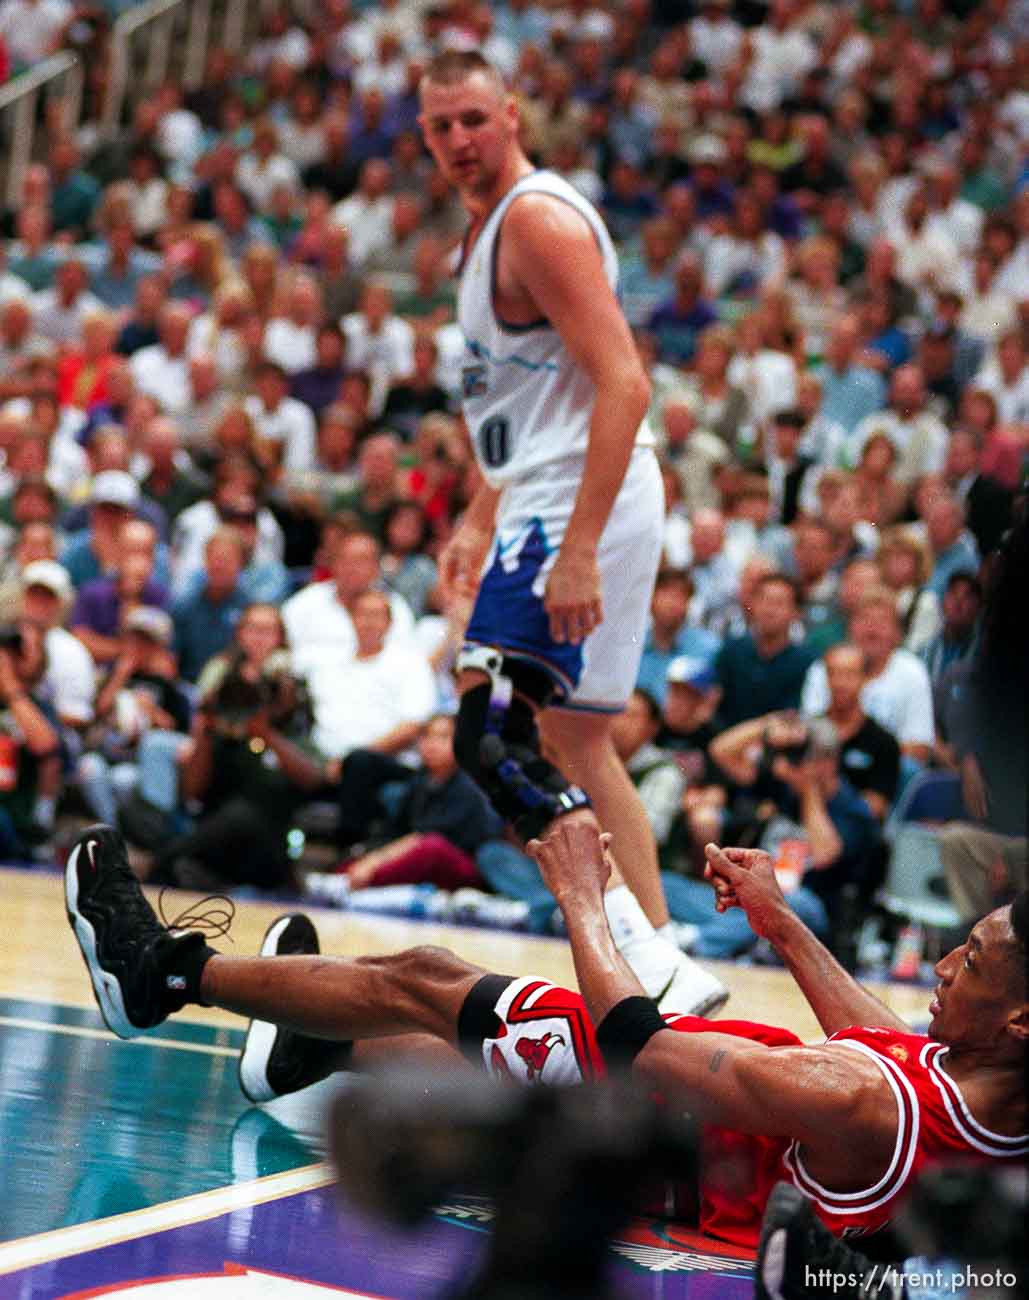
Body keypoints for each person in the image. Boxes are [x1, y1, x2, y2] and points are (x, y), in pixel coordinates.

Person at [66, 821, 1028, 1251]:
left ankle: (157, 974)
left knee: (428, 979)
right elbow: (892, 1044)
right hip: (709, 1125)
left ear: (1019, 1018)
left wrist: (580, 896)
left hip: (667, 1114)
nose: (941, 969)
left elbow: (633, 1043)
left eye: (970, 963)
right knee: (449, 1034)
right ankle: (321, 1043)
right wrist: (780, 925)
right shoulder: (993, 1093)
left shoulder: (858, 1104)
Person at [419, 51, 723, 1012]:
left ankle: (635, 950)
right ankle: (666, 971)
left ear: (511, 113)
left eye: (474, 119)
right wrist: (478, 513)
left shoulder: (537, 223)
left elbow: (625, 381)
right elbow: (529, 404)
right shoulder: (483, 236)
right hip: (549, 492)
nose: (459, 141)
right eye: (440, 128)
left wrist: (578, 543)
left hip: (574, 503)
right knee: (578, 740)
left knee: (493, 738)